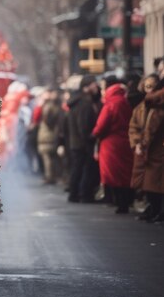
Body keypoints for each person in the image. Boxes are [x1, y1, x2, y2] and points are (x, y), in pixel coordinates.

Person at [92, 81, 134, 213]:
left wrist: (94, 134)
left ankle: (120, 202)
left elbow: (101, 125)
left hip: (110, 144)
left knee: (113, 174)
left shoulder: (110, 104)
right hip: (126, 142)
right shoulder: (126, 103)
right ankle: (127, 201)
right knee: (126, 173)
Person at [129, 73, 164, 222]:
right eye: (147, 86)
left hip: (155, 149)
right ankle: (153, 208)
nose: (149, 90)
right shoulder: (141, 107)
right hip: (146, 149)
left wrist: (142, 143)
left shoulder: (157, 106)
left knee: (155, 183)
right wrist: (138, 142)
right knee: (147, 183)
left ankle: (157, 210)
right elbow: (134, 126)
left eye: (152, 86)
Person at [67, 74, 101, 203]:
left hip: (76, 141)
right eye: (93, 84)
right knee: (84, 168)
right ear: (86, 87)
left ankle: (75, 193)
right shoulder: (84, 103)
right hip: (82, 142)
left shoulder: (77, 101)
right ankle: (83, 194)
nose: (96, 86)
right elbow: (83, 125)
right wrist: (88, 139)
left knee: (78, 168)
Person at [37, 88, 63, 185]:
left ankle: (50, 176)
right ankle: (55, 176)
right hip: (52, 134)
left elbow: (46, 119)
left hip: (47, 135)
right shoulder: (58, 107)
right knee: (53, 157)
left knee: (47, 157)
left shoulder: (48, 106)